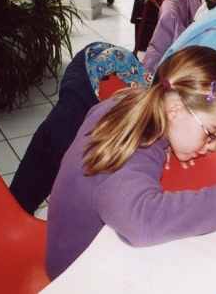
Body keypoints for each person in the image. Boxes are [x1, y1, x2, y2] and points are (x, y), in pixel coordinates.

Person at [45, 46, 216, 280]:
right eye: (211, 133)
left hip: (96, 249)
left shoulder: (131, 101)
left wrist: (165, 144)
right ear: (174, 111)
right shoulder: (135, 145)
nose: (213, 146)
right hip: (78, 272)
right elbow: (142, 222)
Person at [10, 42, 153, 215]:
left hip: (101, 66)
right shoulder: (74, 117)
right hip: (89, 83)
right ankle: (15, 210)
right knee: (52, 153)